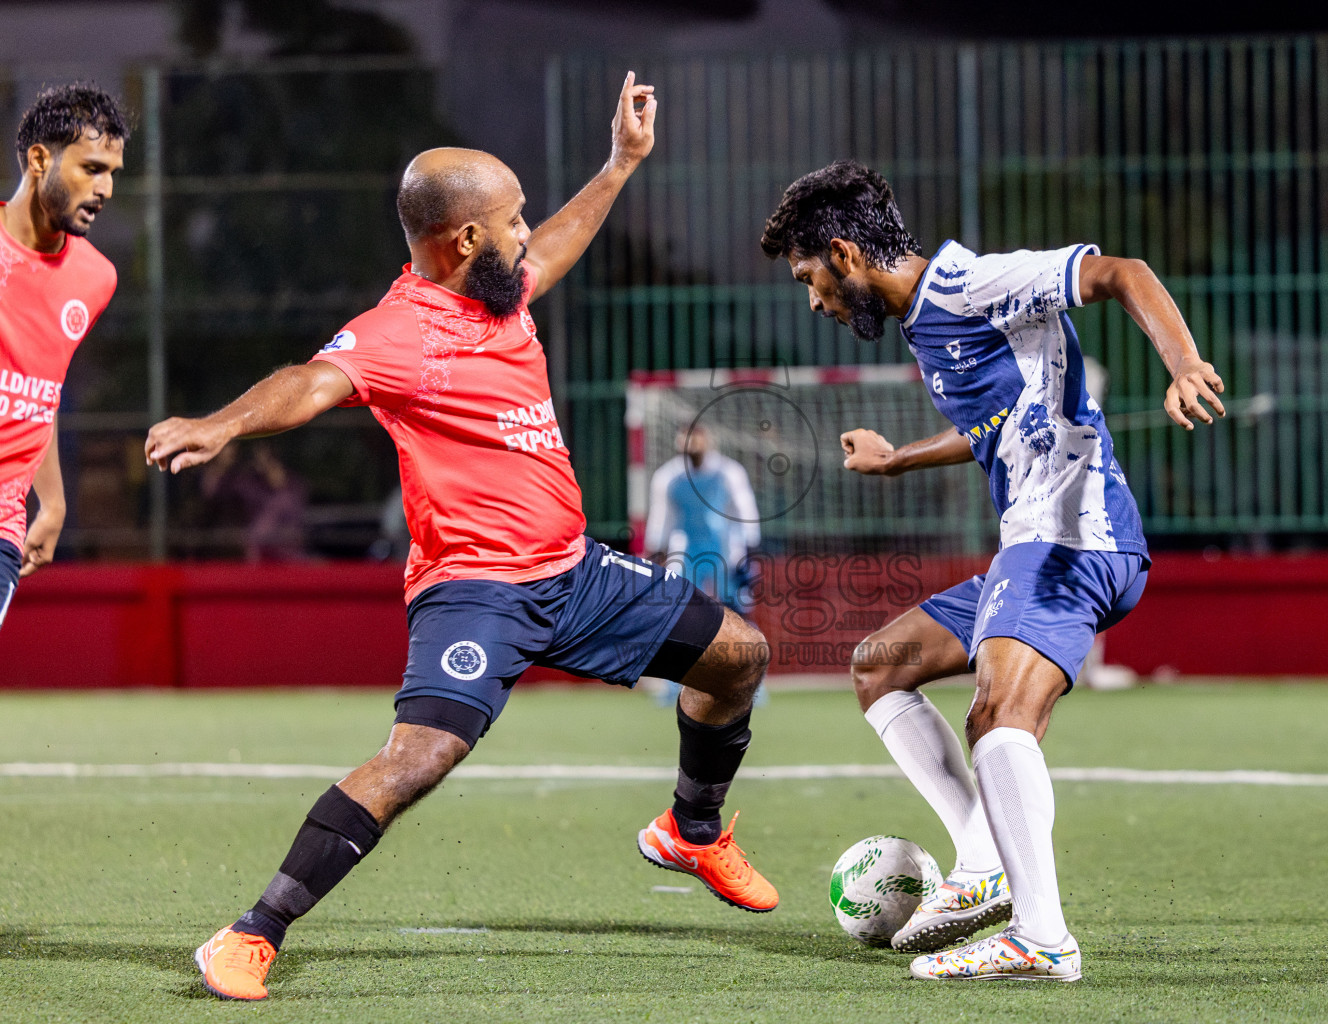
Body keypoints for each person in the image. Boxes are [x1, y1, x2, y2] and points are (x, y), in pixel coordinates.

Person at [147, 74, 777, 1003]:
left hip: (576, 573)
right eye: (513, 218)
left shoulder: (502, 294)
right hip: (477, 588)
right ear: (467, 238)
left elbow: (554, 246)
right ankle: (250, 933)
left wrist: (619, 165)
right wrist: (224, 424)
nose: (528, 231)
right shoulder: (398, 332)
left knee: (738, 655)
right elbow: (311, 382)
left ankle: (690, 830)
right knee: (419, 760)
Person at [761, 160, 1225, 982]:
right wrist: (899, 459)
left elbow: (1122, 272)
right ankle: (982, 862)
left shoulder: (969, 284)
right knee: (879, 665)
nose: (814, 301)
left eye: (809, 279)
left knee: (1000, 715)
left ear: (844, 254)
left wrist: (1183, 362)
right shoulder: (923, 324)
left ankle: (1041, 936)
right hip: (1035, 545)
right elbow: (999, 422)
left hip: (1075, 538)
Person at [0, 83, 128, 623]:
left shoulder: (95, 278)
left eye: (112, 173)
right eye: (92, 169)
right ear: (39, 160)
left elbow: (40, 390)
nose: (106, 189)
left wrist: (52, 504)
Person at [644, 424, 762, 705]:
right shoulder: (668, 477)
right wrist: (656, 552)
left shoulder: (729, 472)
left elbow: (745, 510)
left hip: (725, 550)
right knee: (678, 616)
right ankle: (674, 684)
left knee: (737, 614)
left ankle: (749, 682)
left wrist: (749, 548)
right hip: (686, 551)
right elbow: (661, 519)